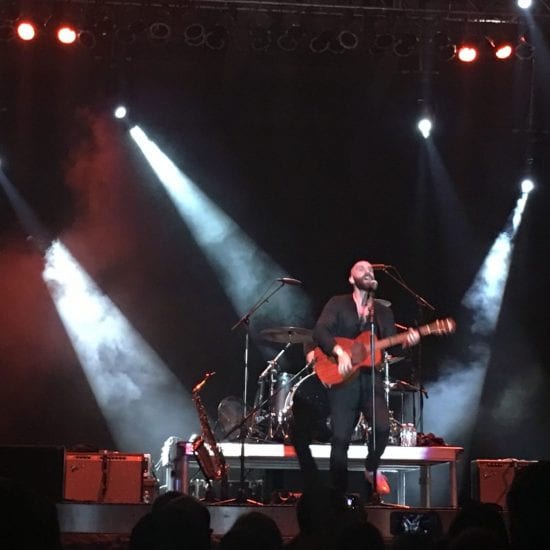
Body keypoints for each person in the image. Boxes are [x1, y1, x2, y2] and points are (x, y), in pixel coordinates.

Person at [312, 260, 419, 501]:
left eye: (370, 270)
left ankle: (371, 467)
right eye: (361, 269)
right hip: (343, 379)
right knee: (340, 439)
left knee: (382, 427)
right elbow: (320, 331)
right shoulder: (338, 303)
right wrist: (339, 352)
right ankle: (338, 495)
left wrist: (407, 342)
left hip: (371, 378)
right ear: (351, 279)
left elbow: (391, 345)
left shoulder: (382, 312)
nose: (368, 271)